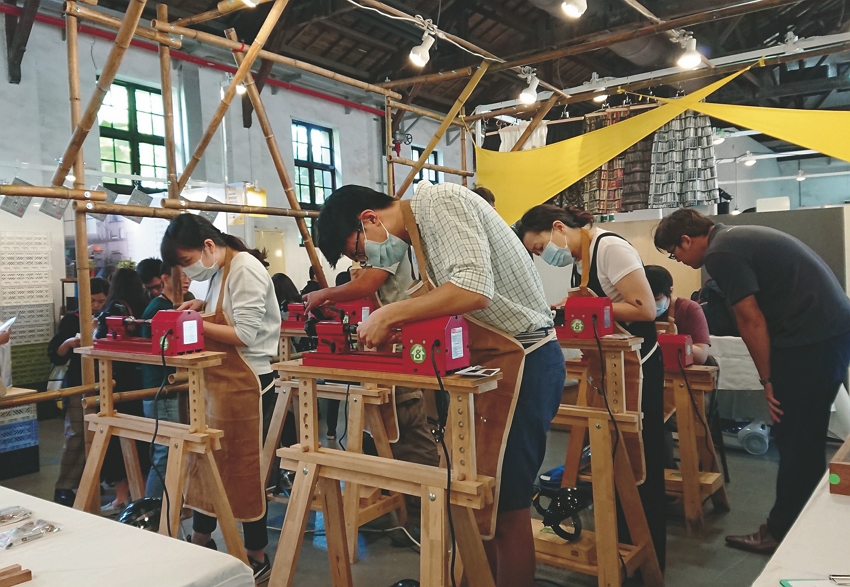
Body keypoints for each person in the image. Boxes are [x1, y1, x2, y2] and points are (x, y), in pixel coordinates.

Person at [316, 181, 565, 587]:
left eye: (359, 252)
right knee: (473, 498)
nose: (367, 262)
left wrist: (391, 314)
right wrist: (408, 324)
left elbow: (474, 289)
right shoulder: (418, 233)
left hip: (525, 361)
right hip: (489, 368)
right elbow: (459, 302)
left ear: (370, 219)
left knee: (505, 505)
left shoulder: (438, 201)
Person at [654, 209, 850, 554]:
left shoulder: (720, 252)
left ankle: (783, 531)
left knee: (796, 437)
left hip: (812, 339)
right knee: (803, 436)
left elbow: (750, 318)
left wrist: (768, 378)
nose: (679, 261)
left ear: (686, 240)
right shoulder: (735, 237)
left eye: (675, 253)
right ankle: (802, 524)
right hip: (824, 332)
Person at [516, 204, 666, 570]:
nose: (542, 256)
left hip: (638, 365)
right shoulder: (582, 258)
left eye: (539, 248)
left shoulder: (610, 248)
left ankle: (647, 558)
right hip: (610, 366)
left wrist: (586, 309)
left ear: (557, 228)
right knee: (614, 462)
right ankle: (620, 548)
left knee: (639, 461)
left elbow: (645, 309)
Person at [161, 214, 280, 582]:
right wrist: (199, 309)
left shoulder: (244, 268)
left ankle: (256, 553)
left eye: (186, 262)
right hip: (218, 384)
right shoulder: (217, 273)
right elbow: (225, 317)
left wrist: (194, 324)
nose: (187, 272)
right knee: (207, 463)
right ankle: (201, 539)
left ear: (208, 247)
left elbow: (243, 333)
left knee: (243, 470)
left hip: (248, 382)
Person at [304, 254, 440, 466]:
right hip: (384, 351)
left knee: (407, 421)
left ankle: (425, 495)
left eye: (350, 250)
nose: (354, 257)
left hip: (401, 353)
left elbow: (367, 285)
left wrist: (325, 293)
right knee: (388, 433)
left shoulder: (387, 245)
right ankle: (401, 493)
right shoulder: (374, 254)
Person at [48, 278, 112, 505]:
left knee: (100, 434)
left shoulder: (108, 317)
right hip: (78, 384)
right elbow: (55, 353)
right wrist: (69, 343)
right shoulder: (71, 319)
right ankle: (64, 486)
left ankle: (91, 481)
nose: (97, 305)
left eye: (101, 301)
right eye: (92, 300)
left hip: (104, 382)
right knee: (77, 435)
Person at [96, 268, 151, 514]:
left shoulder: (113, 309)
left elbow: (100, 338)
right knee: (141, 438)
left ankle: (121, 496)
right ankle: (142, 491)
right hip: (141, 380)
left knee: (117, 439)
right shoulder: (146, 307)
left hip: (116, 381)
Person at [139, 260, 192, 499]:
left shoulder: (184, 303)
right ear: (165, 278)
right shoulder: (157, 309)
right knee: (166, 451)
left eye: (188, 274)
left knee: (175, 449)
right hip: (162, 387)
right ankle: (154, 507)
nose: (186, 279)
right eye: (180, 274)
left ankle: (172, 506)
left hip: (179, 385)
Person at [645, 265, 710, 365]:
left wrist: (672, 342)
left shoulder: (689, 309)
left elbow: (701, 355)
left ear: (670, 290)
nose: (651, 305)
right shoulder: (635, 310)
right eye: (646, 300)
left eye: (657, 299)